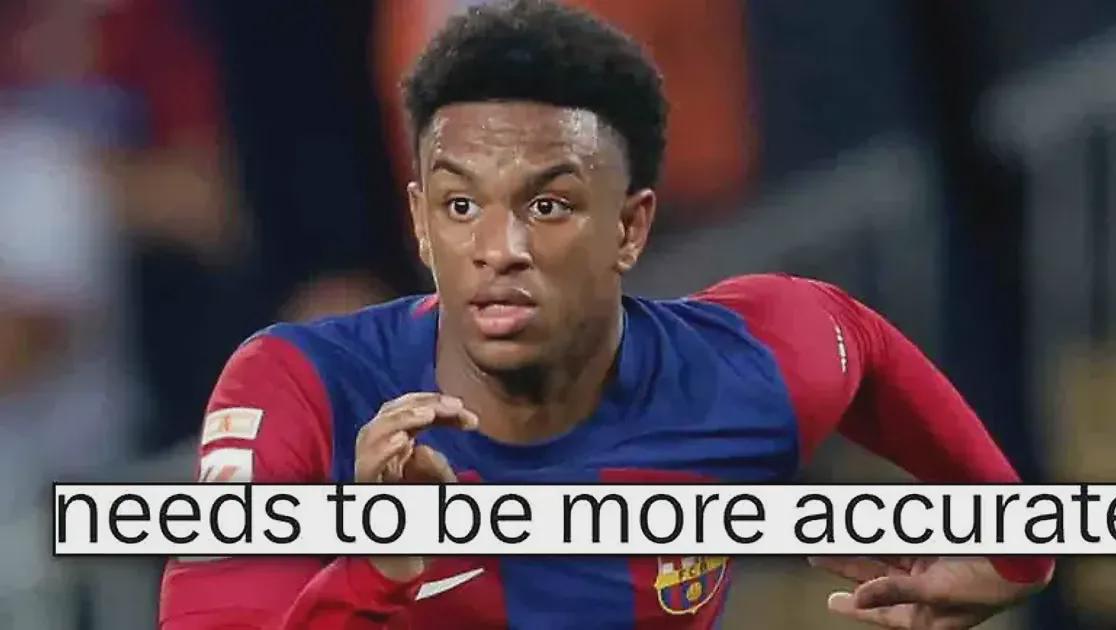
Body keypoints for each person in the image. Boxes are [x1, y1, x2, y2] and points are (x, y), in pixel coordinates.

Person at [158, 1, 1053, 628]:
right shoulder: (299, 389)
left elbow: (855, 343)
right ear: (421, 223)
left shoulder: (738, 369)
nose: (500, 247)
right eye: (462, 205)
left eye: (547, 205)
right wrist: (381, 566)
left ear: (629, 227)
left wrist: (1017, 552)